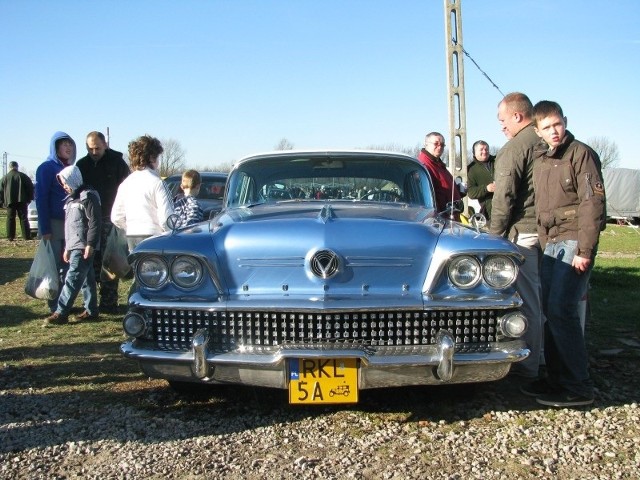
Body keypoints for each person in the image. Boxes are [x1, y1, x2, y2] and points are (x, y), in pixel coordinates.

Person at [520, 100, 606, 407]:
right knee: (550, 311)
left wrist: (585, 250)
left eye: (558, 124)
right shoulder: (541, 160)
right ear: (537, 131)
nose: (554, 132)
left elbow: (592, 205)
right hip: (551, 243)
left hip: (573, 241)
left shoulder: (580, 154)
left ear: (565, 121)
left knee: (563, 310)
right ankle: (556, 380)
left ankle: (578, 386)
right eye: (547, 127)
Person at [489, 92, 544, 379]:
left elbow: (504, 197)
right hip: (554, 233)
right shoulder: (550, 140)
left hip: (524, 233)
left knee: (526, 301)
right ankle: (548, 357)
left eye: (503, 120)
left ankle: (528, 366)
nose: (502, 127)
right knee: (554, 300)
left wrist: (493, 237)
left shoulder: (514, 148)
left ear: (517, 116)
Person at [76, 131, 130, 313]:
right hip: (89, 221)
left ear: (105, 145)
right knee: (90, 263)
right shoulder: (82, 165)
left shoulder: (117, 163)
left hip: (110, 219)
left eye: (97, 148)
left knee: (109, 262)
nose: (93, 151)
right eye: (90, 148)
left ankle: (109, 301)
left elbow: (126, 190)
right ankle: (90, 303)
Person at [43, 166, 101, 326]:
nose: (64, 186)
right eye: (62, 183)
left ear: (74, 179)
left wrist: (90, 244)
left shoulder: (88, 196)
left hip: (84, 245)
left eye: (65, 182)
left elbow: (95, 222)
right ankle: (91, 310)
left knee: (73, 277)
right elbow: (70, 226)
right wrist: (67, 248)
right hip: (75, 245)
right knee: (87, 279)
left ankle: (61, 313)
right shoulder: (70, 200)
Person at [36, 132, 77, 313]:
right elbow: (41, 199)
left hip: (70, 225)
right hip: (53, 224)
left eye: (70, 144)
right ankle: (54, 304)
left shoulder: (70, 168)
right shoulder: (46, 168)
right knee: (53, 267)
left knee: (66, 266)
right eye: (64, 144)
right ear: (55, 147)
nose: (68, 147)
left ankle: (63, 303)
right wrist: (45, 228)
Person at [111, 135, 174, 251]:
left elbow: (116, 216)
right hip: (155, 236)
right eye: (157, 158)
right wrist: (170, 234)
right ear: (152, 158)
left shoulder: (125, 184)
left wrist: (130, 228)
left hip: (132, 236)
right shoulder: (158, 183)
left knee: (136, 268)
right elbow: (166, 217)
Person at [417, 132, 465, 217]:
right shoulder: (424, 166)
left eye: (442, 145)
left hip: (450, 217)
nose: (439, 147)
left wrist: (458, 190)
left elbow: (443, 189)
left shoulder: (438, 164)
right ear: (426, 144)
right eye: (436, 144)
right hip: (440, 220)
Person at [0, 161, 34, 240]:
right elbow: (30, 187)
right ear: (17, 167)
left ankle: (10, 237)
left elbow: (0, 191)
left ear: (9, 167)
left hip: (9, 200)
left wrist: (1, 202)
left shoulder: (4, 178)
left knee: (10, 218)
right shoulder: (23, 176)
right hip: (22, 200)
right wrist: (29, 198)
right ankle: (26, 236)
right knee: (23, 218)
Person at [467, 140, 496, 220]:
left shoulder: (497, 161)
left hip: (509, 206)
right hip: (490, 212)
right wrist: (486, 189)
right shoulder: (471, 169)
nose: (484, 152)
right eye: (481, 149)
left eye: (486, 149)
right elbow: (471, 193)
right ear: (474, 152)